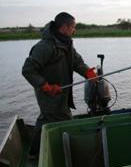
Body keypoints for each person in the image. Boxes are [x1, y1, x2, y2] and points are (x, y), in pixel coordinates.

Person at [22, 12, 97, 158]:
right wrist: (45, 86)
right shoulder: (45, 46)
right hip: (50, 94)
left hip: (62, 93)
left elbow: (77, 62)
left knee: (45, 119)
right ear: (64, 27)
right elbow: (28, 70)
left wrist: (88, 73)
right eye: (73, 27)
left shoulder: (66, 43)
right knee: (65, 122)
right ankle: (70, 154)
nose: (74, 30)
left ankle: (33, 153)